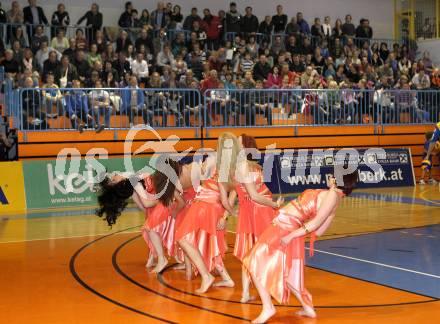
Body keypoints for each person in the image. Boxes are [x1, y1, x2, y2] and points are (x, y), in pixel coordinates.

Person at [243, 169, 359, 323]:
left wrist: (292, 234)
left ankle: (268, 307)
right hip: (286, 226)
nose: (329, 176)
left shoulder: (332, 195)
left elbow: (316, 224)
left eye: (332, 175)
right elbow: (319, 231)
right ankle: (308, 308)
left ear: (337, 179)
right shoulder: (336, 197)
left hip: (285, 228)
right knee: (288, 274)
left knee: (253, 262)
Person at [176, 132, 239, 293]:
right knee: (210, 242)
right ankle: (226, 278)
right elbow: (231, 194)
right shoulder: (233, 166)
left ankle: (206, 275)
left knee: (182, 238)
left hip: (205, 204)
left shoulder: (214, 159)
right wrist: (227, 214)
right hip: (215, 208)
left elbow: (200, 179)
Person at [96, 157, 182, 274]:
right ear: (118, 183)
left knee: (151, 227)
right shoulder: (133, 182)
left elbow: (146, 204)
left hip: (166, 196)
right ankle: (160, 258)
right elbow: (146, 205)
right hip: (165, 198)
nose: (114, 175)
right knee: (150, 228)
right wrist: (164, 196)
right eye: (113, 179)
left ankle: (161, 257)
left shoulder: (132, 179)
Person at [234, 134, 282, 302]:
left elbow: (258, 191)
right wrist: (274, 204)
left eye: (238, 142)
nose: (235, 143)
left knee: (252, 251)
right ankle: (261, 288)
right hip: (256, 211)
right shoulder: (243, 167)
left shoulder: (249, 167)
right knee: (258, 252)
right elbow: (253, 195)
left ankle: (248, 292)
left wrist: (272, 202)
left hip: (257, 211)